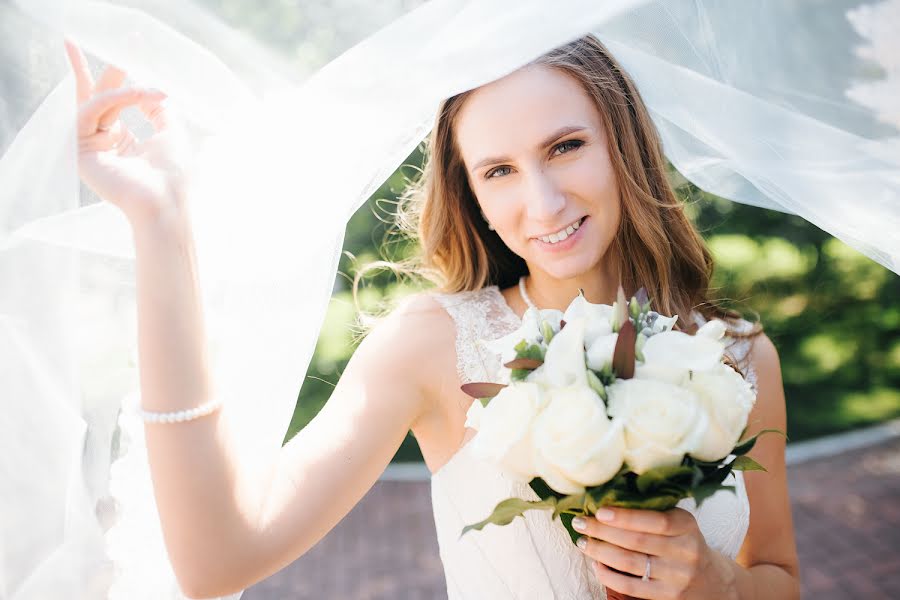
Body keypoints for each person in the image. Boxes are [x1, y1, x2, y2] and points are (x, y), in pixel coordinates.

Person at [64, 30, 800, 599]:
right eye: (499, 170)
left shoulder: (736, 356)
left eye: (566, 147)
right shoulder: (433, 347)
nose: (541, 203)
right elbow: (219, 559)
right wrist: (160, 225)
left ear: (624, 144)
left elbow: (777, 574)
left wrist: (718, 582)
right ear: (471, 194)